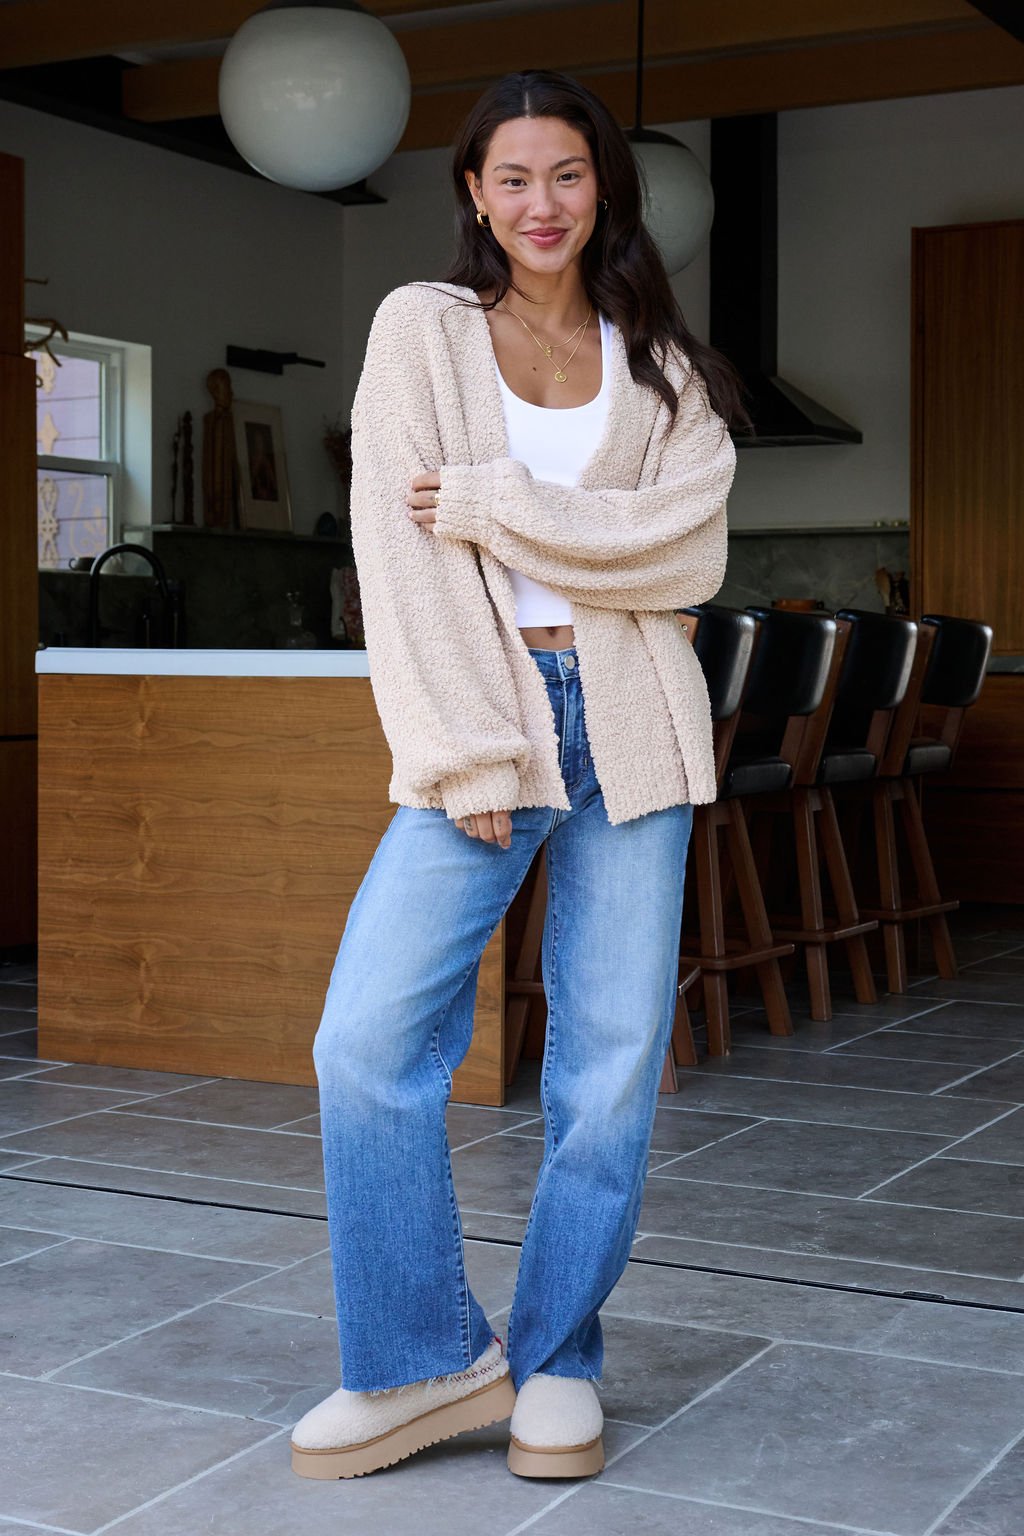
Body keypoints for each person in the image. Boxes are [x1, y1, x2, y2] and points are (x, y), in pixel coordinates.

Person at [290, 68, 744, 1484]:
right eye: (512, 178)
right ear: (474, 195)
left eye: (566, 175)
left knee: (607, 1078)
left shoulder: (661, 366)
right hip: (494, 717)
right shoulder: (420, 332)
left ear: (603, 185)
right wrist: (466, 746)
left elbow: (694, 558)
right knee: (366, 1044)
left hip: (641, 729)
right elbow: (401, 552)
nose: (540, 204)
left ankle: (558, 1360)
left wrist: (497, 506)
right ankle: (428, 1361)